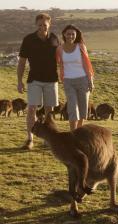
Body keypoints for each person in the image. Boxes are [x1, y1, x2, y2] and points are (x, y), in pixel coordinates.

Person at [17, 13, 60, 149]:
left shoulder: (54, 39)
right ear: (36, 25)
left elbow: (61, 59)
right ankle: (30, 139)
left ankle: (48, 140)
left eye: (45, 25)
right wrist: (19, 81)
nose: (42, 27)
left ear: (49, 24)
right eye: (40, 25)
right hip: (34, 80)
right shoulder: (28, 39)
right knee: (31, 109)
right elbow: (22, 62)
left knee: (49, 111)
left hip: (51, 80)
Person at [56, 24, 94, 131]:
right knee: (72, 107)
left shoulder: (81, 47)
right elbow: (59, 63)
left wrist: (90, 80)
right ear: (64, 34)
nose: (71, 36)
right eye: (68, 34)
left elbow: (87, 64)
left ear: (76, 35)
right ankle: (73, 134)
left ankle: (79, 132)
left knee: (83, 108)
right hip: (68, 81)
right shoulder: (59, 49)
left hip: (83, 80)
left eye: (73, 34)